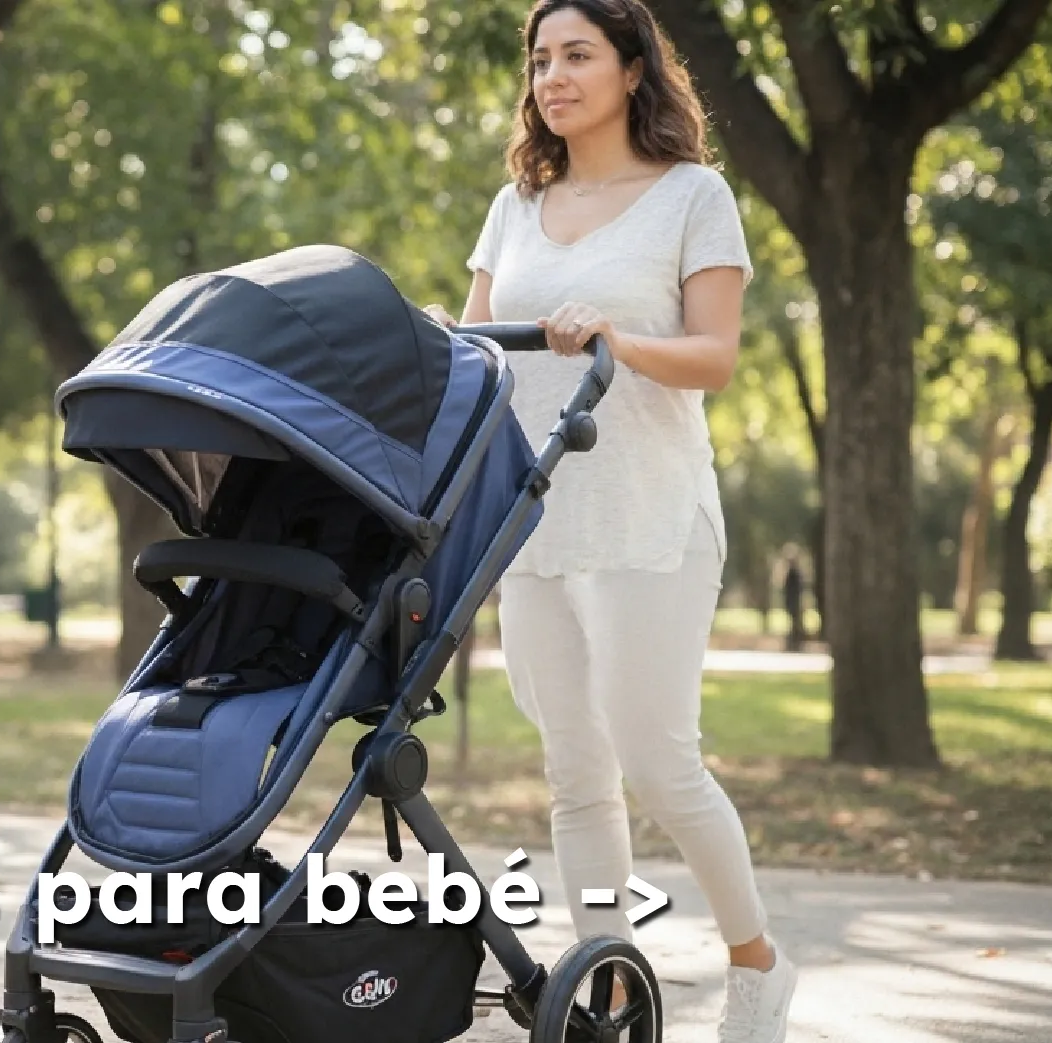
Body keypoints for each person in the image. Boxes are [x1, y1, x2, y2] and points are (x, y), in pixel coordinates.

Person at [422, 1, 799, 1040]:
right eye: (541, 58)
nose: (554, 75)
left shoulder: (693, 196)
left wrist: (617, 340)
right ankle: (610, 985)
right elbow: (474, 356)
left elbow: (716, 356)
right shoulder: (515, 204)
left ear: (635, 71)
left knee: (656, 754)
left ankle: (759, 962)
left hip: (651, 515)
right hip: (536, 520)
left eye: (578, 55)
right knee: (574, 771)